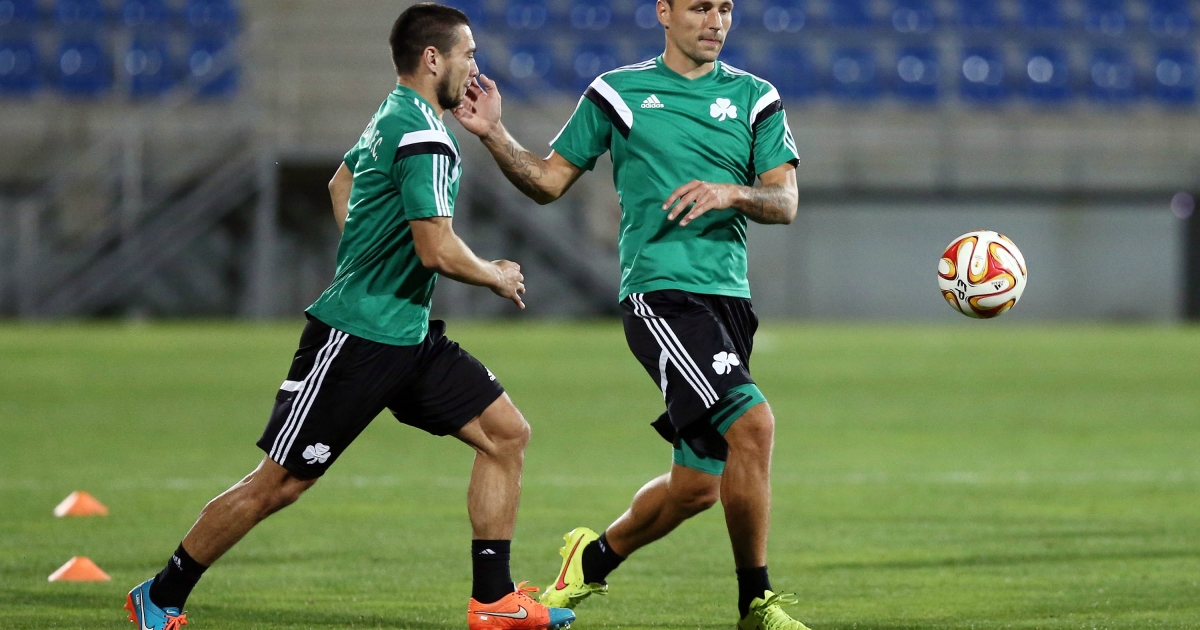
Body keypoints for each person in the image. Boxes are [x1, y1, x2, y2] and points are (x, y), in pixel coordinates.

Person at [124, 5, 575, 630]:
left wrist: (367, 257)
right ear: (433, 59)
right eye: (468, 54)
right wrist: (494, 273)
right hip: (357, 339)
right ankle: (160, 595)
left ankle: (494, 602)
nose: (476, 66)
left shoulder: (395, 113)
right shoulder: (423, 136)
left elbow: (342, 184)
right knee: (278, 485)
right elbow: (435, 249)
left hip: (407, 335)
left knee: (506, 435)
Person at [452, 0, 809, 627]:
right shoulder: (616, 93)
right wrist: (494, 135)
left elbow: (784, 201)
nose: (717, 21)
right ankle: (755, 603)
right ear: (664, 12)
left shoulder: (756, 97)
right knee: (754, 425)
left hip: (729, 301)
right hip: (660, 295)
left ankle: (590, 561)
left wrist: (730, 191)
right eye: (701, 7)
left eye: (726, 8)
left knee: (696, 486)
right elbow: (548, 181)